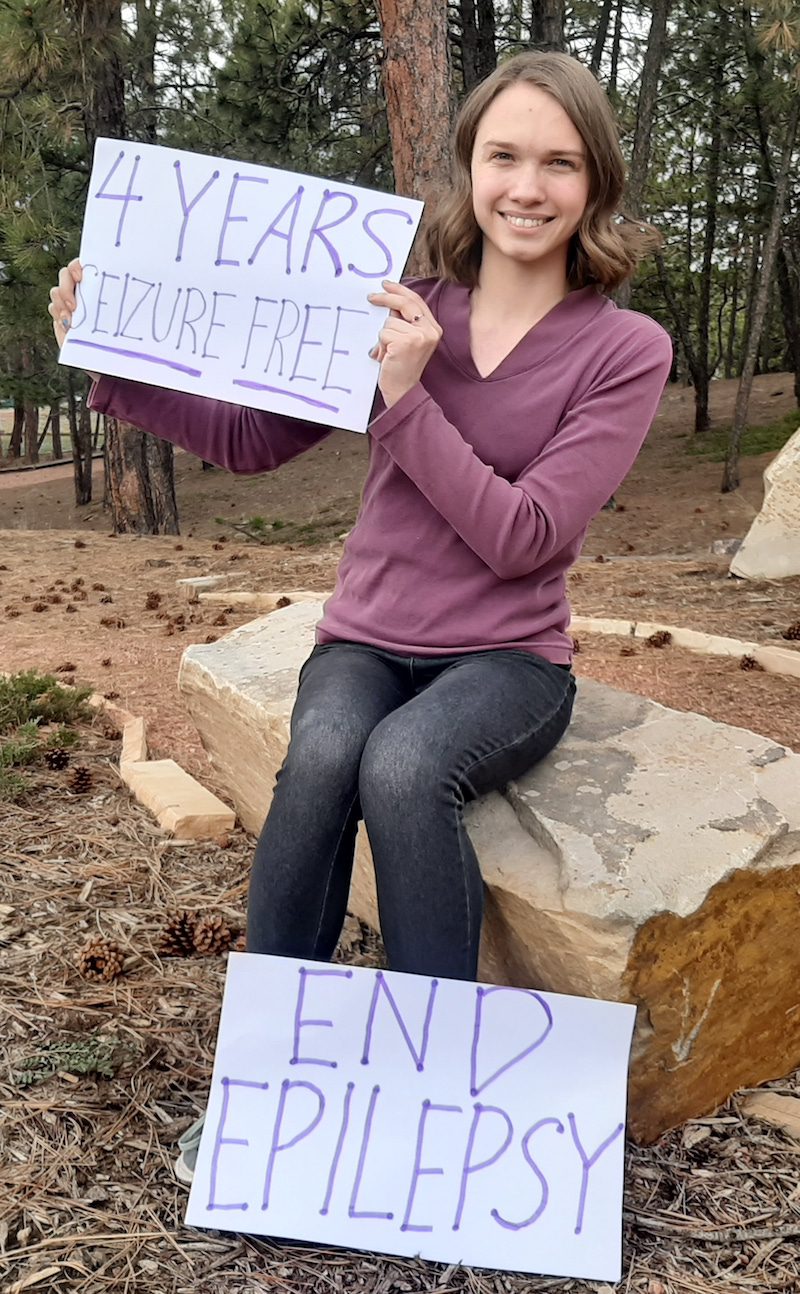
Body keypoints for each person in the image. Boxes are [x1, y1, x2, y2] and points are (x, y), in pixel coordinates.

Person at [49, 51, 673, 1182]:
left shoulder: (623, 349)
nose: (525, 187)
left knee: (402, 766)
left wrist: (408, 398)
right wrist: (110, 351)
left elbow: (525, 536)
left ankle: (432, 1101)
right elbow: (247, 443)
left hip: (506, 660)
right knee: (328, 747)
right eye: (503, 157)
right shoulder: (404, 306)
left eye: (557, 163)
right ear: (467, 171)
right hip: (367, 638)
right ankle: (264, 1088)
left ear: (594, 184)